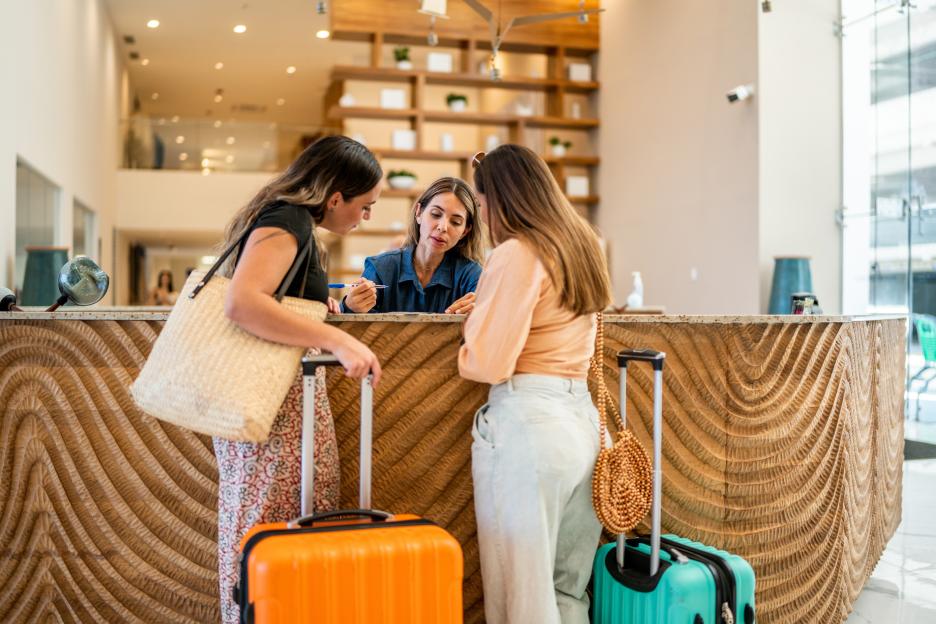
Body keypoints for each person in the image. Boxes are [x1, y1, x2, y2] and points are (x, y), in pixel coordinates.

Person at [212, 135, 383, 624]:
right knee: (271, 534)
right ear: (335, 198)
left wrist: (313, 309)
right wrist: (337, 340)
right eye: (364, 207)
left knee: (275, 532)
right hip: (274, 405)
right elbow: (243, 302)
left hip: (278, 402)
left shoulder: (288, 220)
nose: (364, 218)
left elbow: (269, 299)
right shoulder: (288, 220)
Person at [459, 145, 613, 624]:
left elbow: (488, 362)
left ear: (498, 200)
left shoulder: (517, 252)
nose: (481, 215)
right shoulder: (583, 244)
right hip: (584, 428)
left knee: (522, 600)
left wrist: (478, 320)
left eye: (481, 205)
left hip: (530, 427)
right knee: (567, 592)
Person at [341, 177, 484, 315]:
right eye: (435, 214)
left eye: (456, 222)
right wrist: (349, 306)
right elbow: (354, 328)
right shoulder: (380, 269)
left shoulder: (471, 276)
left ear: (465, 231)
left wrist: (484, 312)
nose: (443, 227)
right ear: (419, 213)